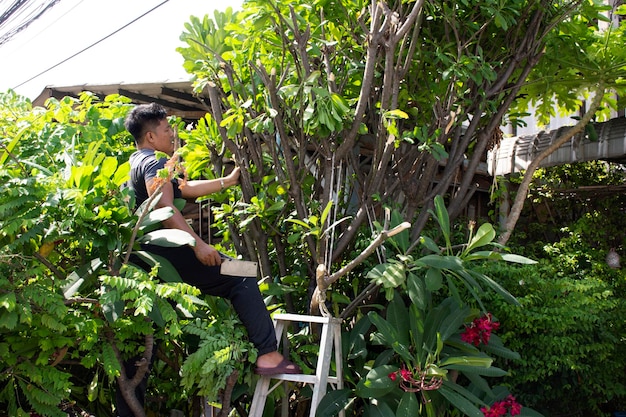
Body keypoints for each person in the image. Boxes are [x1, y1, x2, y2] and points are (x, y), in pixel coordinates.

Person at [119, 102, 299, 417]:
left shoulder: (137, 161)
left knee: (138, 348)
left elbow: (183, 190)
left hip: (141, 265)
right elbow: (166, 209)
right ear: (150, 136)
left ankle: (127, 412)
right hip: (171, 254)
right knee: (243, 273)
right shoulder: (155, 161)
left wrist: (227, 181)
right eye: (165, 130)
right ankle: (268, 355)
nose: (172, 134)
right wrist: (198, 244)